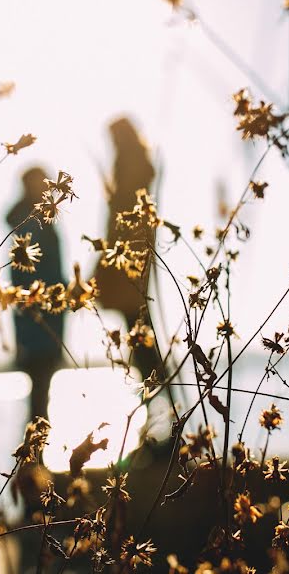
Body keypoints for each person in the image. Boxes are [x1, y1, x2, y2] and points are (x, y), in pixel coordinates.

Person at [96, 117, 160, 380]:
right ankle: (157, 385)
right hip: (134, 248)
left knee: (137, 319)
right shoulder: (139, 162)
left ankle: (154, 383)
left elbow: (123, 212)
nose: (112, 143)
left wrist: (111, 251)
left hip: (128, 250)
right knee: (138, 317)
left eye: (114, 137)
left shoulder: (129, 163)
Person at [7, 166, 65, 421]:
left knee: (42, 382)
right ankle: (35, 449)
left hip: (44, 309)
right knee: (41, 381)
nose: (46, 189)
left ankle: (35, 449)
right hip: (38, 311)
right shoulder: (30, 221)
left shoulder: (39, 218)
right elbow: (28, 270)